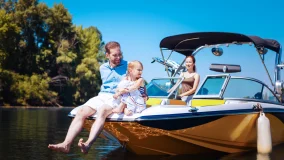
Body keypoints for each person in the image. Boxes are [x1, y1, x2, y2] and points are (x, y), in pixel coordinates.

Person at [48, 41, 128, 154]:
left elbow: (137, 80)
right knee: (81, 111)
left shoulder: (128, 66)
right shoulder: (103, 68)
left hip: (117, 97)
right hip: (102, 95)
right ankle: (66, 144)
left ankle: (88, 144)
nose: (118, 57)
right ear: (107, 55)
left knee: (102, 110)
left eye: (120, 54)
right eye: (115, 55)